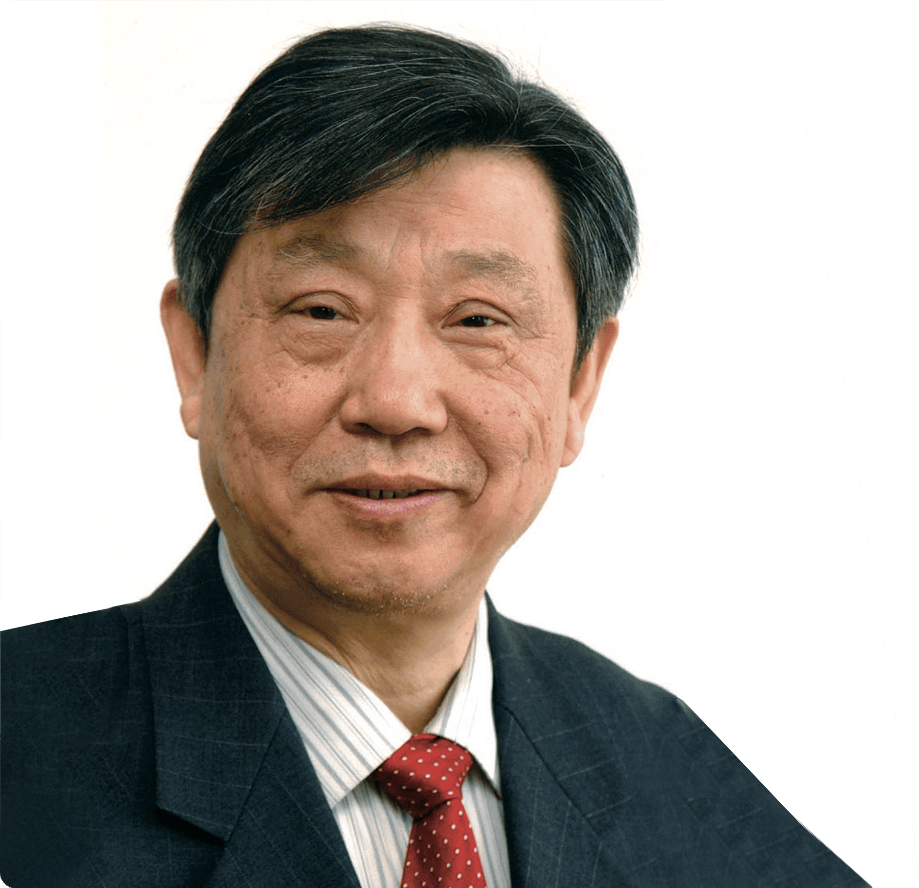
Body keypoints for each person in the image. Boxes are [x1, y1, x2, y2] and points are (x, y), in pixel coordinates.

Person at [0, 24, 869, 888]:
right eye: (321, 310)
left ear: (579, 385)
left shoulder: (667, 770)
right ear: (194, 353)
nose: (395, 402)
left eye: (478, 319)